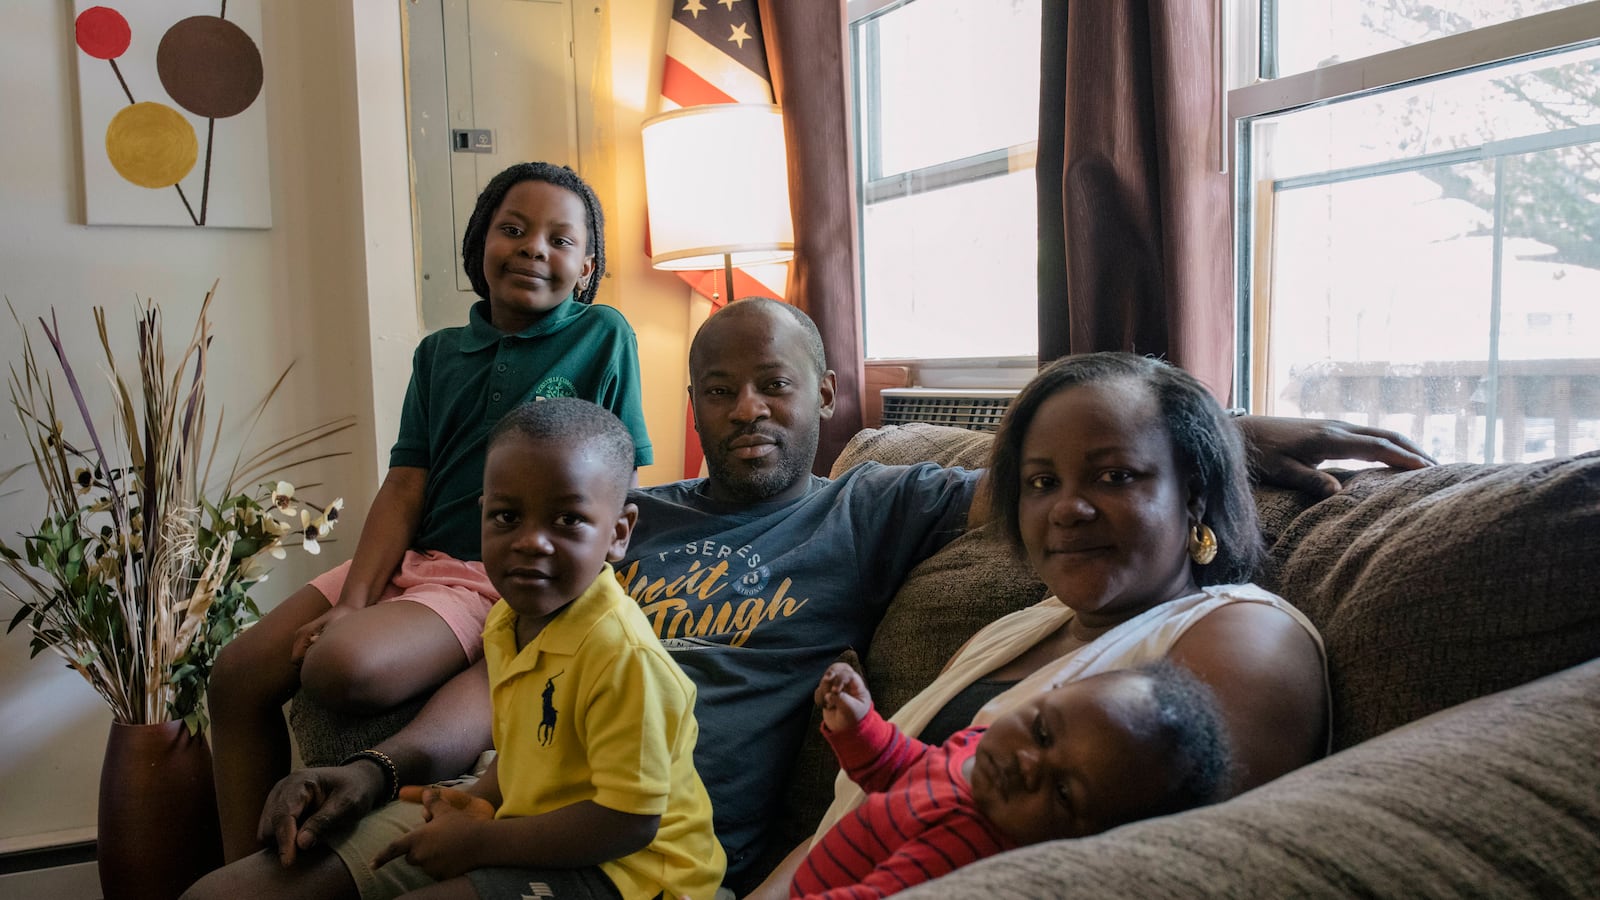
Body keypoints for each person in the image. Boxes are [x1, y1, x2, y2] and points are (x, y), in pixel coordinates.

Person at [182, 299, 1432, 900]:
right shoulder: (618, 516)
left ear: (827, 393)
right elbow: (513, 668)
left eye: (774, 384)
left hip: (641, 859)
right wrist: (383, 767)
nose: (747, 410)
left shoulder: (868, 507)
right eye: (717, 389)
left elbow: (1044, 462)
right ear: (686, 406)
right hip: (508, 796)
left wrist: (1231, 426)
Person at [752, 351, 1331, 899]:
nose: (1066, 508)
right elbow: (865, 811)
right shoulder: (1012, 631)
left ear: (1194, 494)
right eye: (1042, 482)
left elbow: (1181, 873)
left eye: (1115, 475)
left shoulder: (1245, 632)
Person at [207, 162, 654, 862]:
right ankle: (247, 875)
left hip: (487, 573)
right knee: (235, 674)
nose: (534, 248)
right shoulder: (438, 353)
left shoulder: (603, 334)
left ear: (586, 268)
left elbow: (621, 478)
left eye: (560, 240)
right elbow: (405, 486)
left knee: (336, 667)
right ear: (480, 244)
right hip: (412, 558)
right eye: (513, 229)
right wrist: (353, 599)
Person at [366, 399, 722, 900]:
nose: (531, 541)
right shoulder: (505, 622)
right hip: (553, 840)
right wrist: (478, 800)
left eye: (568, 519)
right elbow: (530, 750)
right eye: (507, 516)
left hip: (640, 875)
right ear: (482, 516)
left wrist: (480, 844)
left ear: (619, 534)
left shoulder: (623, 657)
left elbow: (631, 822)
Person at [790, 659, 1231, 899]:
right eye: (1042, 732)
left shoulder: (966, 847)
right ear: (1048, 694)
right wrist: (860, 725)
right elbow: (908, 774)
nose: (1027, 763)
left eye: (1064, 792)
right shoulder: (975, 745)